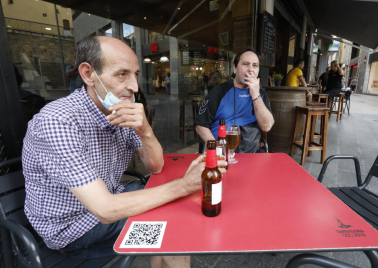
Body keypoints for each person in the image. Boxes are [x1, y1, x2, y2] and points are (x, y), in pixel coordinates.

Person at [22, 36, 226, 268]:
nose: (135, 87)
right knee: (173, 224)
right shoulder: (58, 121)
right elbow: (105, 210)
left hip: (109, 198)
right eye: (122, 74)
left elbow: (156, 165)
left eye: (136, 74)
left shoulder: (118, 110)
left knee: (175, 210)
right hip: (72, 228)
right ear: (88, 74)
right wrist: (186, 184)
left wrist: (145, 130)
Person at [195, 48, 274, 153]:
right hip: (220, 150)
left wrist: (255, 94)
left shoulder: (261, 94)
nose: (251, 69)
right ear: (235, 68)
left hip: (250, 154)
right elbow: (201, 126)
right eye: (245, 64)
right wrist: (217, 150)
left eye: (255, 65)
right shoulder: (219, 91)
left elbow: (266, 126)